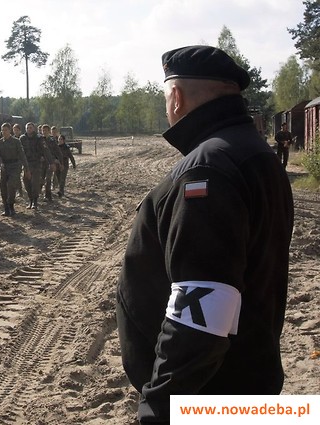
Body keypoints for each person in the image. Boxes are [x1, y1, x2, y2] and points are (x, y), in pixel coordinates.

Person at [116, 45, 294, 424]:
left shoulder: (207, 169)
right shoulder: (252, 151)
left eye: (166, 97)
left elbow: (200, 316)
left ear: (177, 97)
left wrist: (159, 409)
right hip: (247, 379)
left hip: (211, 396)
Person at [0, 122, 30, 216]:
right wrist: (1, 163)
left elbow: (22, 155)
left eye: (6, 130)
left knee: (11, 185)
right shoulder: (0, 142)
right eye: (2, 130)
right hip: (5, 167)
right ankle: (6, 208)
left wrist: (26, 168)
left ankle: (11, 205)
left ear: (10, 130)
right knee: (3, 187)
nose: (4, 132)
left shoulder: (16, 141)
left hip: (15, 166)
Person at [20, 122, 54, 210]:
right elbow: (19, 152)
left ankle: (35, 201)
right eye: (27, 128)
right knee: (26, 182)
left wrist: (51, 162)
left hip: (36, 163)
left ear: (34, 129)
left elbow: (46, 150)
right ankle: (30, 199)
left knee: (35, 182)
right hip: (27, 164)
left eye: (31, 127)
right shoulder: (22, 138)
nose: (29, 129)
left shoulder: (39, 138)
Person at [41, 124, 64, 200]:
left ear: (49, 131)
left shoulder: (52, 140)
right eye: (43, 130)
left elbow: (58, 152)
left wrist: (61, 162)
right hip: (42, 163)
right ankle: (42, 192)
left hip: (50, 162)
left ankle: (47, 195)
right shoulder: (40, 140)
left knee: (48, 179)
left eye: (45, 130)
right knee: (41, 179)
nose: (44, 132)